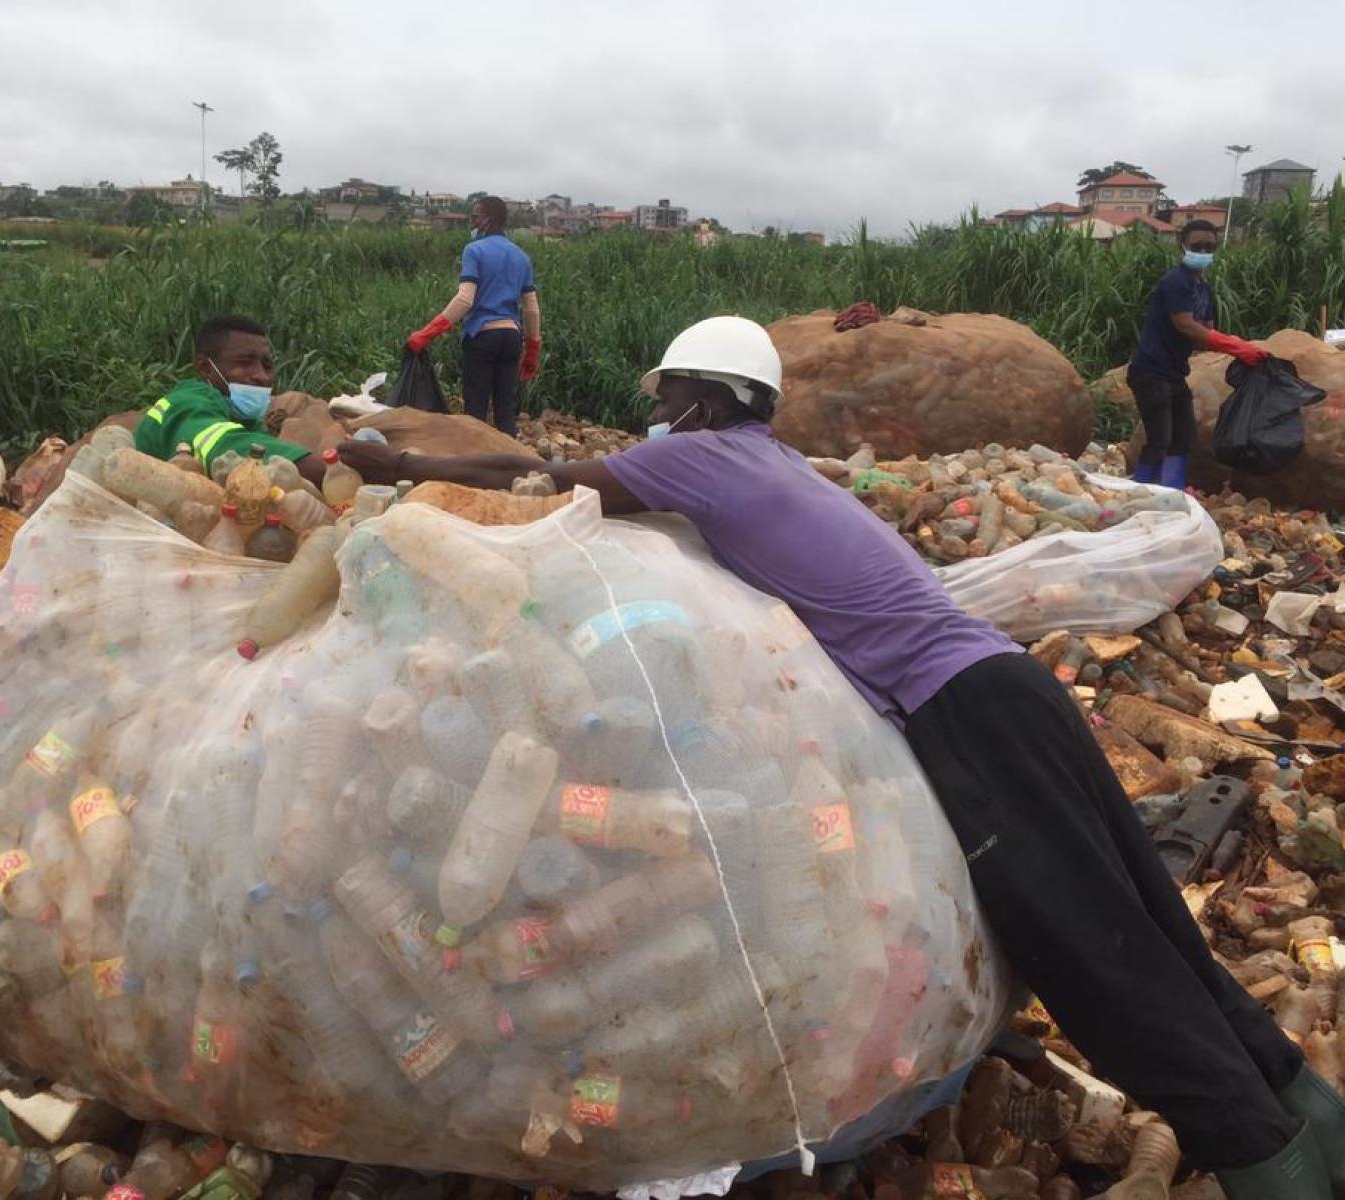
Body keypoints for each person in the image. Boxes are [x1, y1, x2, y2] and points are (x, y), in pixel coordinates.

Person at [338, 316, 1341, 1199]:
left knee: (1092, 962)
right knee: (1150, 925)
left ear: (702, 401)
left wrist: (399, 467)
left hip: (965, 712)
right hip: (1014, 687)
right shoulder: (769, 462)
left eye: (667, 397)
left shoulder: (700, 458)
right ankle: (1308, 1112)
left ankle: (1265, 1159)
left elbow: (537, 485)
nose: (659, 416)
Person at [1128, 219, 1267, 489]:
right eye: (1197, 246)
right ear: (1182, 245)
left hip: (1174, 373)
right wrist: (1235, 347)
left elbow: (1206, 331)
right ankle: (1139, 492)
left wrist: (1239, 345)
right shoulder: (1175, 282)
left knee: (1183, 437)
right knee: (1160, 439)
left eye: (1209, 247)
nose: (1203, 252)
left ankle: (1172, 490)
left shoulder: (1202, 287)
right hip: (1150, 371)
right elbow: (1186, 325)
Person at [404, 196, 541, 437]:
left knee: (475, 411)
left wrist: (427, 333)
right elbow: (531, 308)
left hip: (482, 335)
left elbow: (464, 300)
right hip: (511, 337)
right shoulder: (521, 256)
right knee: (505, 411)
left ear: (488, 219)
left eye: (475, 216)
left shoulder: (474, 250)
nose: (472, 222)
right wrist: (532, 349)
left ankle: (475, 457)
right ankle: (509, 456)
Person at [135, 315, 324, 484]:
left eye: (267, 366)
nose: (261, 376)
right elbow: (224, 448)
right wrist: (327, 469)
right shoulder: (186, 403)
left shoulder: (244, 420)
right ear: (204, 368)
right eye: (245, 363)